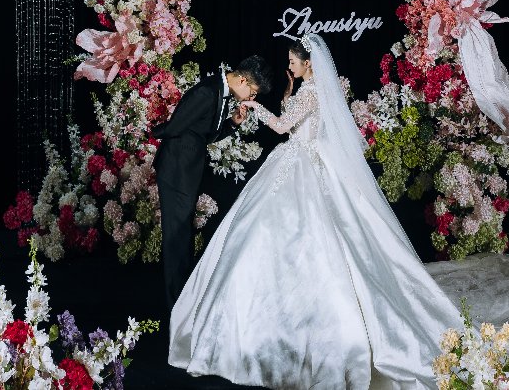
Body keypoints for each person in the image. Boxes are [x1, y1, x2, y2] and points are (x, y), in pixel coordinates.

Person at [168, 33, 462, 388]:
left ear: (308, 63)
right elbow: (295, 119)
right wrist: (287, 95)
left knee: (293, 234)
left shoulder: (311, 92)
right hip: (297, 159)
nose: (289, 66)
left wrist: (256, 109)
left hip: (301, 163)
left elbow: (282, 127)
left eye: (293, 62)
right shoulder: (307, 90)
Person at [154, 54, 274, 312]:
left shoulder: (219, 91)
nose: (251, 98)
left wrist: (233, 123)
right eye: (253, 92)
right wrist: (152, 132)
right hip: (176, 173)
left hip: (185, 173)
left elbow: (203, 135)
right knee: (176, 240)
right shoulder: (207, 92)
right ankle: (177, 307)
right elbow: (175, 127)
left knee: (182, 236)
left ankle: (183, 301)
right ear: (242, 81)